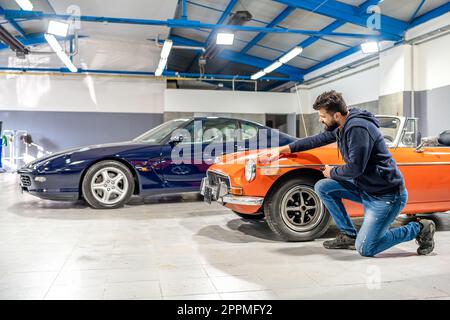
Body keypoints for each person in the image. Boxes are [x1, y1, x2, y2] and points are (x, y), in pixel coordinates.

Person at [264, 90, 435, 257]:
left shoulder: (358, 128)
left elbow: (355, 168)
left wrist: (333, 171)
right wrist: (283, 149)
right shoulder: (342, 124)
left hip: (386, 196)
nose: (320, 119)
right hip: (366, 188)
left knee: (366, 248)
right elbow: (317, 139)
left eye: (323, 116)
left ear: (337, 115)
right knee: (323, 186)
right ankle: (349, 235)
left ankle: (419, 229)